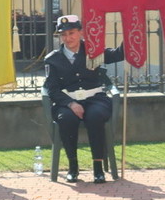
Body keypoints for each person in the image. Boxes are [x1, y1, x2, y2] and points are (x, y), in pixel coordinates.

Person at [43, 14, 123, 183]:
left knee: (95, 116)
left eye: (71, 33)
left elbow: (117, 54)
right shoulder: (53, 59)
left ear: (80, 32)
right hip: (67, 102)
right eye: (63, 34)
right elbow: (52, 89)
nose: (68, 38)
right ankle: (73, 167)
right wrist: (70, 103)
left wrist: (131, 33)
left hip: (95, 99)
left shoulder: (93, 50)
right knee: (66, 119)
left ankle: (98, 168)